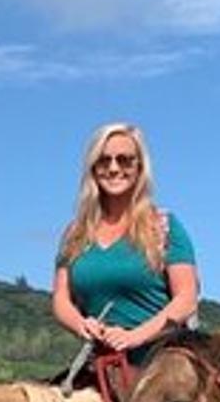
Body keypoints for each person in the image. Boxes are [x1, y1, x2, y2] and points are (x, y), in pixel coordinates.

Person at [49, 122, 199, 369]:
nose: (114, 168)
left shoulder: (164, 227)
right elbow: (61, 300)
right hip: (101, 366)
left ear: (140, 167)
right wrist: (81, 324)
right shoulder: (74, 234)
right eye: (104, 160)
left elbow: (186, 298)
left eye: (125, 160)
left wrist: (134, 337)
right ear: (93, 168)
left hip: (160, 368)